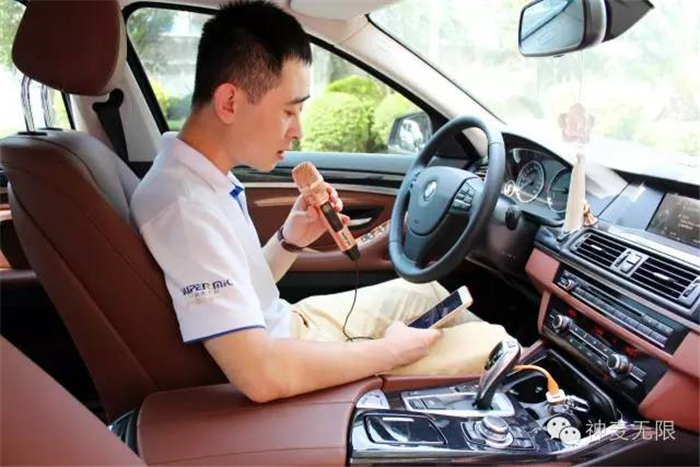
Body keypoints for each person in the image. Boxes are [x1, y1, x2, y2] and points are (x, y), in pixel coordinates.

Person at [131, 0, 509, 404]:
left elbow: (245, 291)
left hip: (291, 326)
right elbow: (261, 375)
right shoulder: (185, 209)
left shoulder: (200, 176)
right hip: (288, 357)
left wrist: (290, 238)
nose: (298, 130)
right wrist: (388, 352)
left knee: (429, 294)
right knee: (496, 345)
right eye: (289, 111)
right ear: (229, 103)